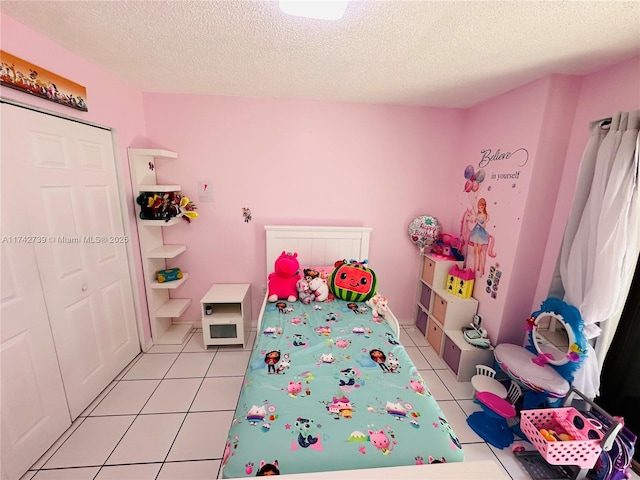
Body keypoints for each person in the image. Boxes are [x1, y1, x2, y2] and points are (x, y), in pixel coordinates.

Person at [469, 197, 490, 276]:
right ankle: (474, 268)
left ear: (484, 207)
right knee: (474, 251)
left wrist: (478, 221)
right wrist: (475, 220)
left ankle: (481, 270)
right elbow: (476, 222)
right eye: (479, 207)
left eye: (481, 207)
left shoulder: (484, 215)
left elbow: (484, 225)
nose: (480, 209)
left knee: (479, 252)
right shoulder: (478, 214)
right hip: (476, 232)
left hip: (481, 233)